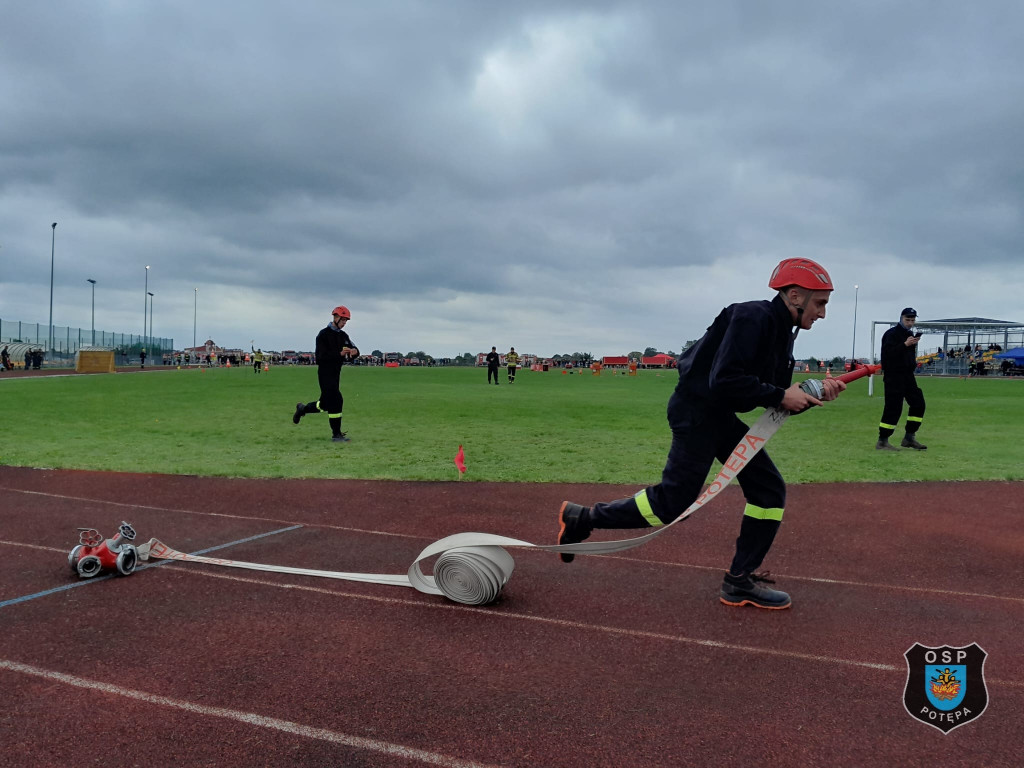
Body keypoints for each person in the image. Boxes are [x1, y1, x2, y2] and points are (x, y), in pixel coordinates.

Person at [556, 258, 846, 610]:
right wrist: (781, 394)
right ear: (796, 295)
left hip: (718, 415)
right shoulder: (753, 317)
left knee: (768, 490)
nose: (823, 314)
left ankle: (739, 580)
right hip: (696, 413)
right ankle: (583, 518)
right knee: (673, 504)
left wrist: (808, 393)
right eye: (820, 303)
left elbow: (767, 394)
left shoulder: (781, 330)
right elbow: (724, 379)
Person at [293, 306, 359, 442]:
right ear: (335, 317)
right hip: (325, 373)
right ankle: (336, 435)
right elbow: (320, 357)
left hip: (336, 374)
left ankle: (302, 409)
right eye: (343, 320)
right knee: (337, 400)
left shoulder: (343, 336)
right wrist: (338, 354)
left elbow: (354, 349)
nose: (344, 323)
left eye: (346, 321)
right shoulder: (323, 335)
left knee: (324, 404)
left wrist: (355, 353)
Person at [877, 308, 927, 451]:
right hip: (893, 375)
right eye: (908, 320)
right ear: (901, 318)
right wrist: (904, 345)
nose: (910, 323)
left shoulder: (909, 334)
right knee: (893, 408)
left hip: (908, 376)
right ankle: (882, 441)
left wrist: (911, 345)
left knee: (918, 403)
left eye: (912, 320)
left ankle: (909, 437)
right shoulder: (891, 334)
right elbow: (887, 355)